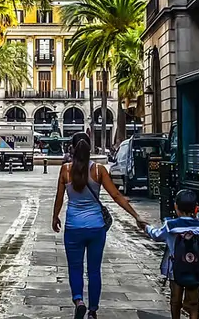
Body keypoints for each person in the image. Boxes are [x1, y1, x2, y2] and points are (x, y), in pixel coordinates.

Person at [52, 132, 145, 319]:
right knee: (94, 270)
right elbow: (116, 196)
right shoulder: (99, 170)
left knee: (75, 267)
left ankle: (78, 300)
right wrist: (136, 215)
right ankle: (93, 311)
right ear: (89, 148)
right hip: (96, 227)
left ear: (72, 148)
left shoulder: (66, 170)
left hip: (73, 228)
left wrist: (55, 217)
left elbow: (59, 198)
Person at [143, 189, 199, 319]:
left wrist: (146, 227)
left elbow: (156, 235)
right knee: (194, 303)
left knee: (175, 300)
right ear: (196, 208)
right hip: (194, 268)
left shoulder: (170, 225)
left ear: (176, 206)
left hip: (175, 268)